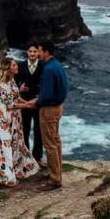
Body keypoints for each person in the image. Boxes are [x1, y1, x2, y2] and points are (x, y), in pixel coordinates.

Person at [0, 56, 41, 187]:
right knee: (5, 145)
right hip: (5, 117)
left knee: (15, 143)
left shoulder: (12, 80)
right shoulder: (2, 84)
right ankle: (6, 177)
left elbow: (17, 97)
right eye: (14, 65)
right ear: (8, 68)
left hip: (15, 117)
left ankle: (15, 170)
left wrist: (27, 102)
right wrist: (28, 106)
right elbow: (9, 105)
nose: (17, 66)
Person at [26, 41, 68, 190]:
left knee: (49, 144)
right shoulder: (57, 65)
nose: (37, 53)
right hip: (58, 107)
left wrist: (35, 102)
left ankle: (55, 180)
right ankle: (57, 173)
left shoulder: (49, 69)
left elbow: (47, 94)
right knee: (56, 140)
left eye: (39, 51)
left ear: (46, 52)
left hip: (49, 110)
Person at [16, 42, 44, 163]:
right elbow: (13, 82)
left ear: (38, 53)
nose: (32, 54)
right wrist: (19, 88)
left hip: (38, 103)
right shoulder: (20, 66)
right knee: (24, 130)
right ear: (27, 52)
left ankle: (37, 157)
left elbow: (47, 84)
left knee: (39, 131)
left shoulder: (44, 66)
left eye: (35, 51)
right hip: (24, 102)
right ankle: (26, 157)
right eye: (30, 51)